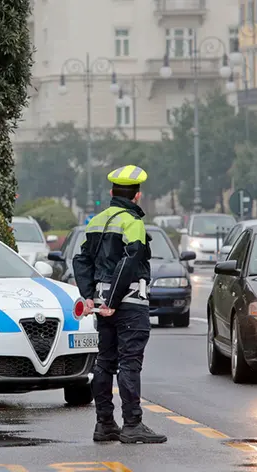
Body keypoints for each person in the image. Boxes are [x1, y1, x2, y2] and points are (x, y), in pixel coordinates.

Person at [72, 165, 166, 444]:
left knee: (104, 362)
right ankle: (132, 424)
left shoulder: (96, 221)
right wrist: (114, 300)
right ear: (137, 196)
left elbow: (82, 261)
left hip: (102, 303)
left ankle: (104, 424)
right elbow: (129, 261)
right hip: (128, 304)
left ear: (112, 192)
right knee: (129, 364)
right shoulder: (133, 223)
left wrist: (90, 296)